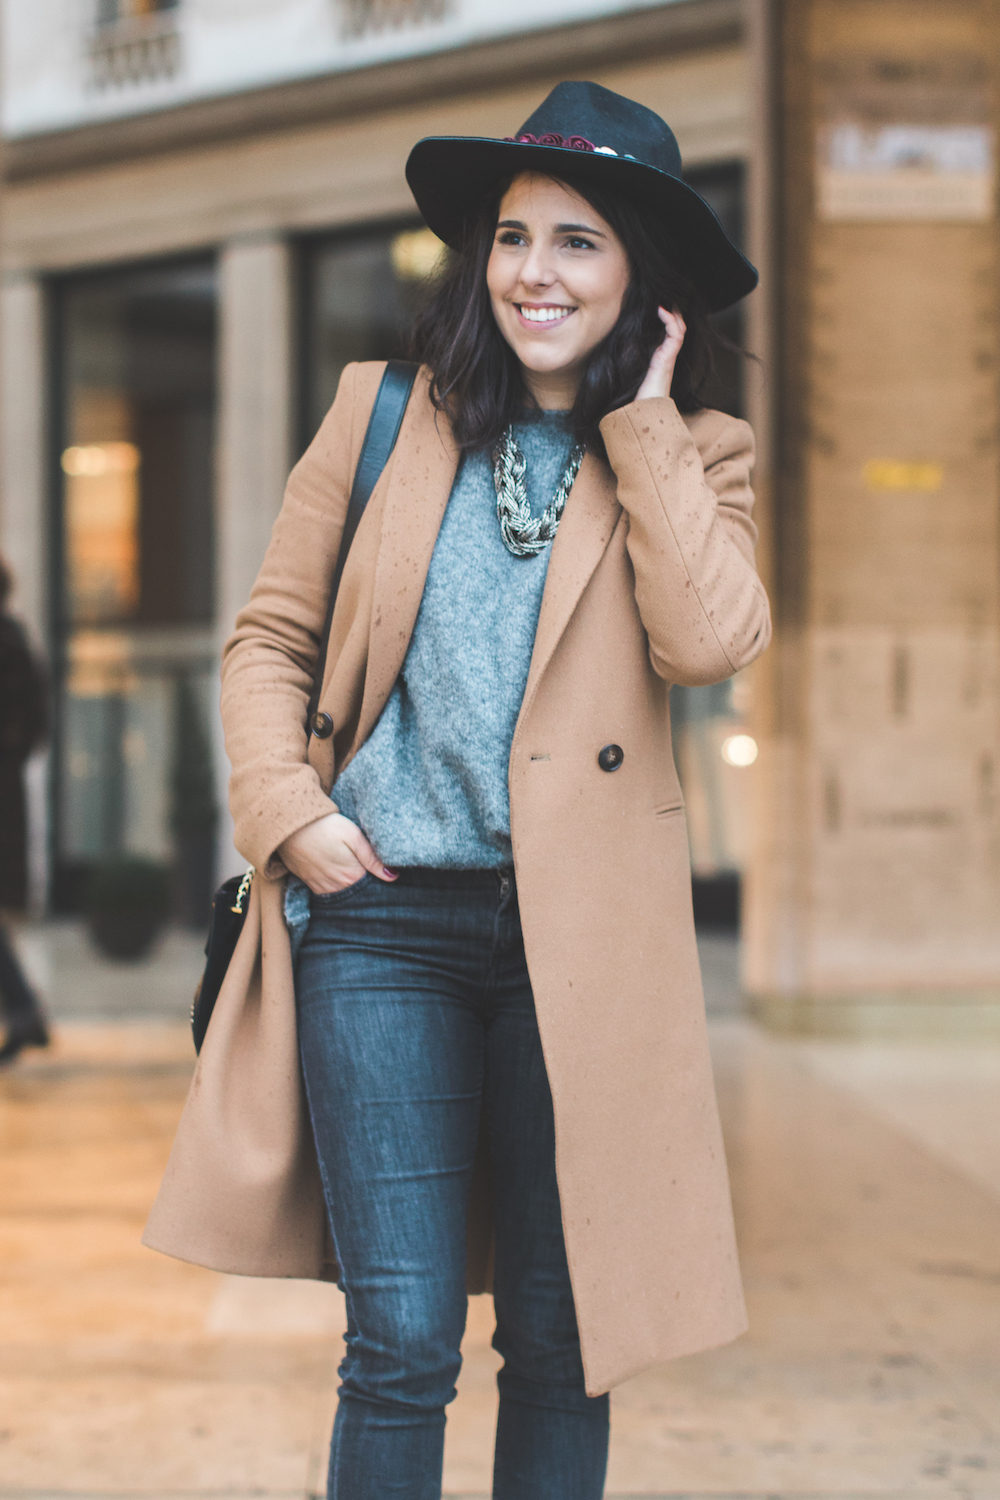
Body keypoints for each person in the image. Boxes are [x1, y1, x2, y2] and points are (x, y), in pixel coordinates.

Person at [149, 80, 772, 1500]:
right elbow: (271, 637)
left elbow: (711, 638)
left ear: (644, 281)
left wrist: (652, 421)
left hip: (583, 947)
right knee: (404, 1338)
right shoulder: (380, 417)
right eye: (512, 237)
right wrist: (289, 813)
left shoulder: (698, 455)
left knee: (561, 1339)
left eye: (579, 243)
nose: (534, 274)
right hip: (381, 923)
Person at [0, 552, 50, 1065]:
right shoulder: (18, 644)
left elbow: (27, 729)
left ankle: (23, 1010)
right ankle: (23, 1011)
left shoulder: (7, 645)